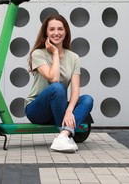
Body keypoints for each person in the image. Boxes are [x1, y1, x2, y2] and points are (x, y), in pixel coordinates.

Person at [24, 14, 93, 153]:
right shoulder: (38, 53)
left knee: (87, 99)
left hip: (58, 109)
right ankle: (66, 133)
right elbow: (53, 78)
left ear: (66, 31)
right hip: (37, 109)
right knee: (57, 87)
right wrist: (55, 52)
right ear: (46, 32)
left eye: (60, 29)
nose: (56, 33)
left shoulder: (73, 57)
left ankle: (63, 135)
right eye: (52, 29)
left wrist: (69, 111)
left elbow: (75, 90)